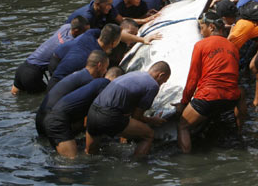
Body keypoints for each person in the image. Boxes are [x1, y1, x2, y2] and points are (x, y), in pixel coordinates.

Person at [173, 12, 246, 153]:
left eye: (202, 27)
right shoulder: (233, 47)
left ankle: (185, 165)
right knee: (241, 91)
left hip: (208, 97)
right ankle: (239, 133)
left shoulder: (200, 45)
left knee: (183, 126)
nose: (201, 32)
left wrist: (184, 102)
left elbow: (193, 78)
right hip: (231, 99)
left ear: (211, 27)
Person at [85, 61, 171, 157]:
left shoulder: (134, 74)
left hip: (92, 112)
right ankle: (136, 168)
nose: (161, 84)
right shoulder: (152, 85)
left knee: (91, 154)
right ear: (161, 75)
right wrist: (152, 120)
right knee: (148, 135)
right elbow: (136, 117)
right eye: (163, 81)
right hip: (109, 116)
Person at [43, 66, 123, 158]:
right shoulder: (105, 85)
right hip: (58, 122)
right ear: (118, 79)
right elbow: (107, 112)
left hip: (54, 119)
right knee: (71, 162)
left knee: (65, 159)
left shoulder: (95, 83)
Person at [36, 50, 110, 137]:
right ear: (99, 65)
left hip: (40, 121)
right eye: (105, 68)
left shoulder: (79, 74)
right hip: (50, 123)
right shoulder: (89, 82)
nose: (105, 71)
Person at [11, 16, 89, 95]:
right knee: (44, 100)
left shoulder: (65, 27)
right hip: (32, 75)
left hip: (22, 68)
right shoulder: (68, 44)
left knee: (14, 95)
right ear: (76, 31)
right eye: (85, 32)